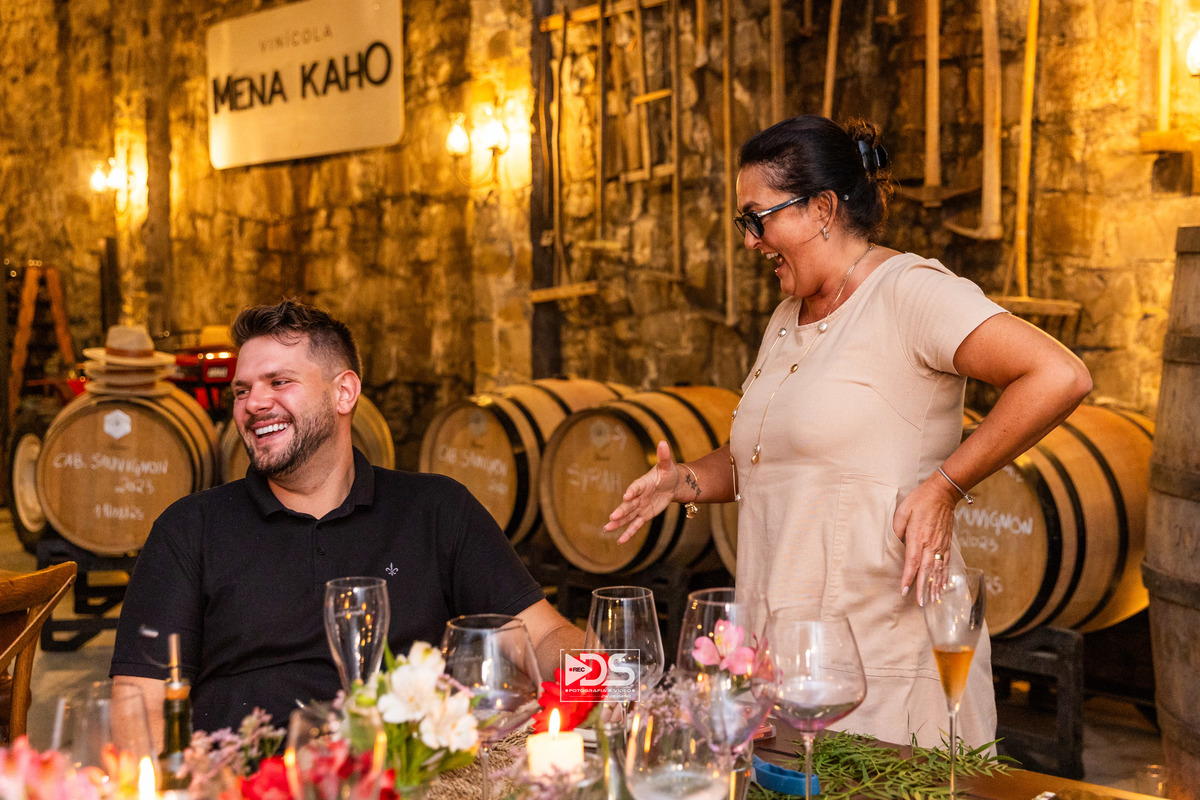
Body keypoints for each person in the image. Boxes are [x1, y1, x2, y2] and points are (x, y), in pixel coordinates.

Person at [605, 115, 1092, 748]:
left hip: (885, 658)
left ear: (822, 209)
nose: (750, 241)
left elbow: (1057, 375)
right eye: (743, 222)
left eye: (758, 218)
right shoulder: (787, 317)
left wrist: (944, 486)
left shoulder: (909, 292)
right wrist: (685, 481)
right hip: (785, 656)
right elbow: (770, 458)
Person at [111, 300, 583, 743]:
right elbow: (139, 704)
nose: (253, 403)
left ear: (344, 392)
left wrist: (611, 686)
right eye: (242, 390)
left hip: (413, 778)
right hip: (246, 780)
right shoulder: (189, 530)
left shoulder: (437, 509)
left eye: (278, 382)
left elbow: (544, 636)